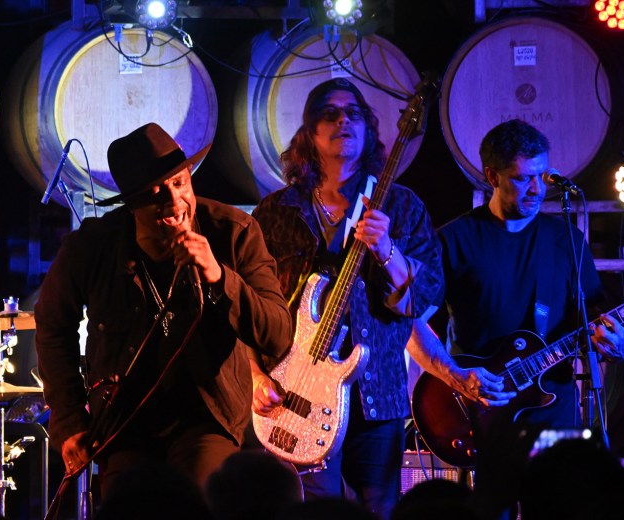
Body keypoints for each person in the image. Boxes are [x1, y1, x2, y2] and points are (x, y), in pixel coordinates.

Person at [33, 123, 293, 496]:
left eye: (179, 184)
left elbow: (278, 333)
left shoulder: (234, 232)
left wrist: (220, 277)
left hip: (207, 414)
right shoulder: (90, 248)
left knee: (197, 500)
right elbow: (52, 326)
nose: (174, 204)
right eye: (156, 195)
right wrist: (70, 420)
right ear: (133, 203)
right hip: (125, 420)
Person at [406, 119, 624, 517]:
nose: (536, 189)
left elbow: (596, 318)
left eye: (541, 177)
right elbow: (410, 324)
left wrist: (617, 343)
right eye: (522, 178)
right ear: (492, 175)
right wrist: (454, 375)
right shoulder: (455, 240)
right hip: (484, 411)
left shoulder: (565, 239)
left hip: (554, 415)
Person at [250, 78, 444, 519]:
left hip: (377, 398)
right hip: (295, 393)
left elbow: (427, 295)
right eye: (330, 114)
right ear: (309, 134)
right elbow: (248, 309)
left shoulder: (402, 205)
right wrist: (256, 377)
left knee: (377, 511)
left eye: (353, 113)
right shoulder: (276, 212)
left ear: (369, 129)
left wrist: (388, 250)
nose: (343, 121)